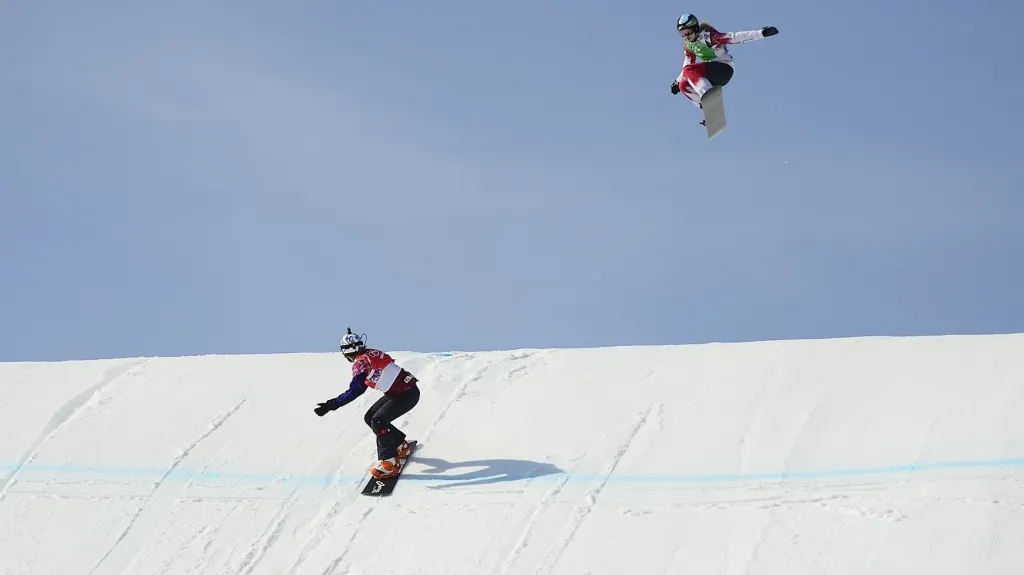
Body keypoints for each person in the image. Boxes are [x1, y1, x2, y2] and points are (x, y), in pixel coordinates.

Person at [313, 328, 420, 480]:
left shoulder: (361, 363)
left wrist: (332, 404)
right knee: (370, 416)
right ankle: (400, 445)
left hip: (406, 395)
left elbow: (356, 390)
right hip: (403, 392)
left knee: (378, 421)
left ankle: (390, 464)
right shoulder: (370, 353)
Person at [670, 13, 779, 109]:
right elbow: (687, 64)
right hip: (711, 75)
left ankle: (709, 96)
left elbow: (734, 37)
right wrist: (677, 82)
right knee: (684, 85)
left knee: (689, 71)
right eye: (682, 34)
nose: (686, 36)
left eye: (688, 32)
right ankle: (708, 108)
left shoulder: (708, 37)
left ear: (695, 28)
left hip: (724, 69)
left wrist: (761, 33)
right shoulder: (688, 46)